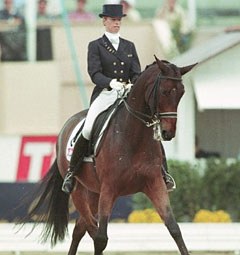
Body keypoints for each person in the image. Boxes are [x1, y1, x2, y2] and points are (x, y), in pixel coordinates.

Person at [62, 4, 175, 194]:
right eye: (113, 20)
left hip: (127, 95)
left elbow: (136, 73)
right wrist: (111, 83)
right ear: (104, 21)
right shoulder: (96, 45)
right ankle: (72, 173)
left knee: (150, 128)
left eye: (119, 20)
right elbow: (94, 73)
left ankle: (164, 173)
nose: (116, 23)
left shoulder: (128, 46)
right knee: (89, 126)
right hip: (105, 94)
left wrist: (133, 84)